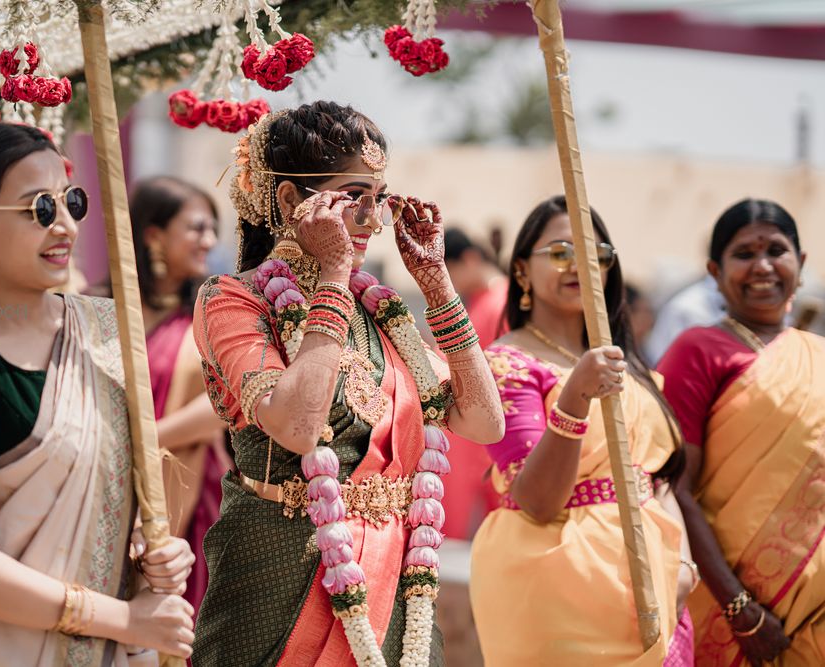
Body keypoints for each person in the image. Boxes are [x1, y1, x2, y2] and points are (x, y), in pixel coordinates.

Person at [191, 101, 504, 665]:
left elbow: (484, 421)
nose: (372, 219)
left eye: (378, 198)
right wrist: (334, 274)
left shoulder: (382, 314)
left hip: (400, 585)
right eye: (352, 197)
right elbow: (299, 426)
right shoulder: (236, 299)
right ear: (289, 201)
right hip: (281, 576)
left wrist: (436, 287)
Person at [0, 123, 195, 665]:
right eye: (39, 208)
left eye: (72, 201)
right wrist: (127, 620)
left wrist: (154, 554)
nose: (64, 225)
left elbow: (120, 507)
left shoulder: (109, 332)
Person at [470, 195, 695, 666]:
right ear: (521, 271)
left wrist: (684, 567)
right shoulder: (507, 363)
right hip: (561, 599)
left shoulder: (625, 362)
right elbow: (537, 499)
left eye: (596, 255)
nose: (579, 265)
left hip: (654, 586)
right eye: (559, 252)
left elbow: (655, 476)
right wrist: (574, 398)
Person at [659, 199, 824, 667]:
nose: (763, 266)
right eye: (744, 253)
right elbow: (674, 487)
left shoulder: (818, 355)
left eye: (776, 249)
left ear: (801, 262)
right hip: (727, 606)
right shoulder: (699, 351)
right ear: (714, 269)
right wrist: (740, 610)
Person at [127, 176, 228, 616]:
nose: (209, 240)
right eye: (196, 228)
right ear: (153, 234)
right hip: (111, 485)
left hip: (189, 495)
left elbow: (225, 402)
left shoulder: (217, 312)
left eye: (212, 229)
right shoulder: (101, 307)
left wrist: (145, 439)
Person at [441, 227, 509, 538]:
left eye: (448, 272)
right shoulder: (484, 301)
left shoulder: (501, 303)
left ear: (468, 260)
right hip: (472, 436)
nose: (448, 284)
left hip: (490, 440)